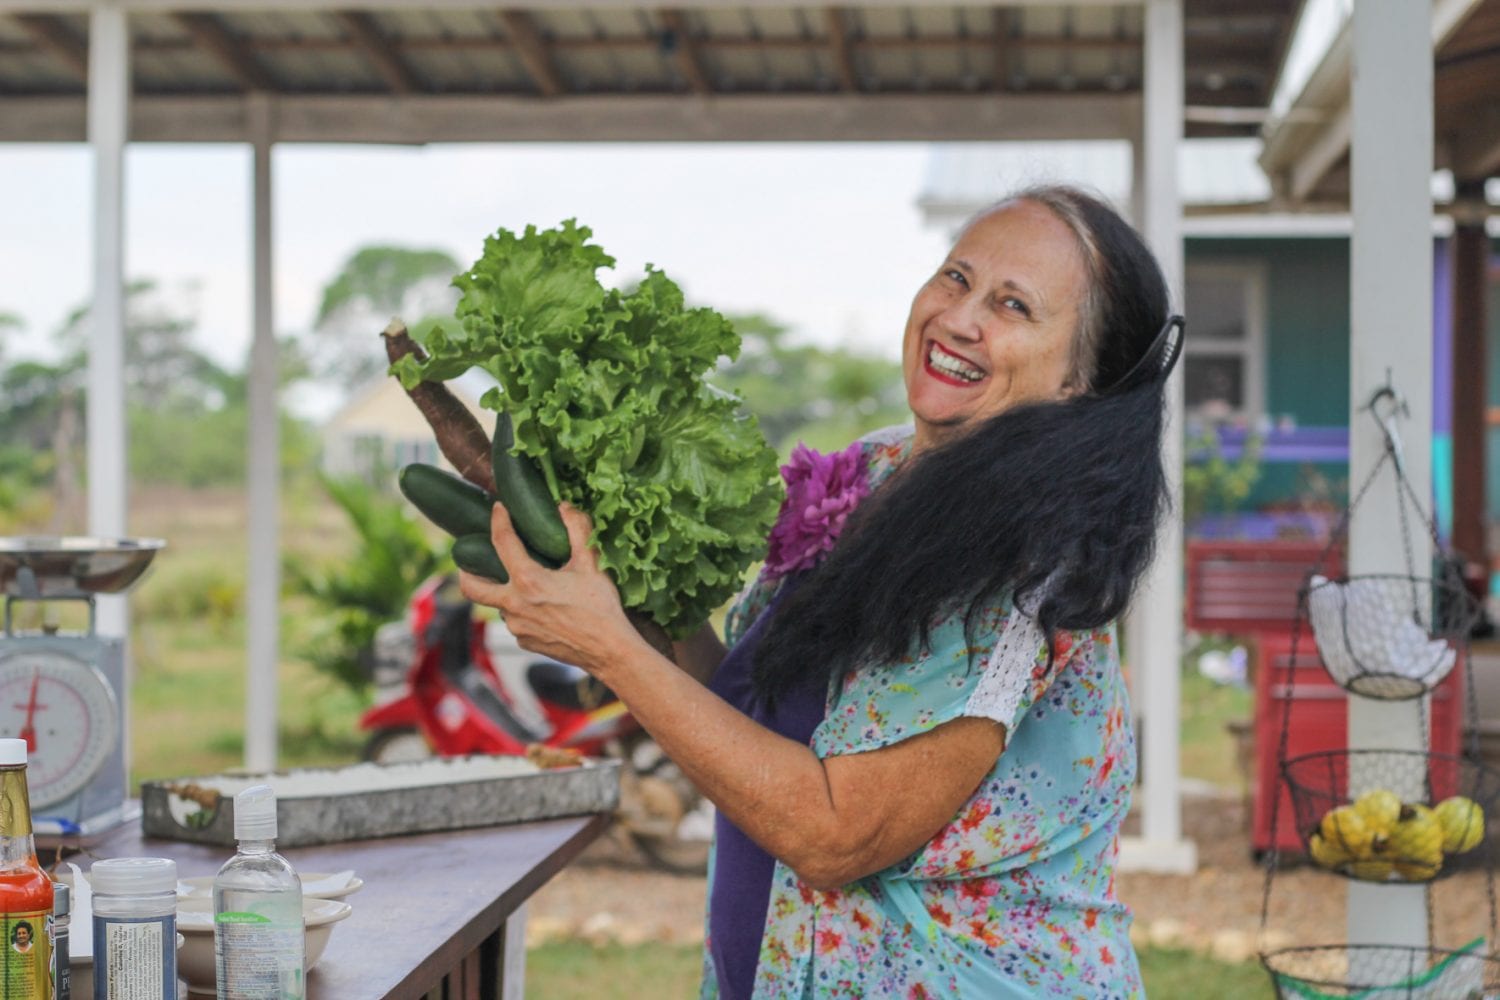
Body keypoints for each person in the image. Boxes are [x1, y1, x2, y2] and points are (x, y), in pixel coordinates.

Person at [460, 184, 1183, 998]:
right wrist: (610, 588)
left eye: (1012, 305)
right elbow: (744, 707)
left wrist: (608, 648)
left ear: (1079, 382)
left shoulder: (1034, 573)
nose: (959, 318)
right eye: (955, 278)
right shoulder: (867, 474)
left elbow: (837, 832)